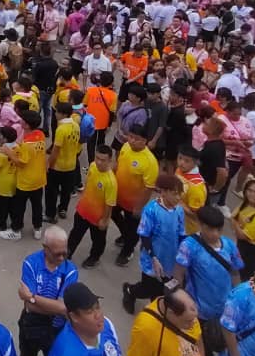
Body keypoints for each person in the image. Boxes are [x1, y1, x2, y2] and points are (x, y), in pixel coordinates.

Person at [173, 206, 244, 356]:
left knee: (212, 338)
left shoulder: (230, 246)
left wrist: (237, 298)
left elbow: (235, 273)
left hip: (222, 307)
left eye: (218, 229)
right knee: (191, 339)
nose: (215, 234)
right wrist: (179, 300)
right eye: (209, 229)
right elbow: (178, 274)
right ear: (200, 224)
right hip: (198, 307)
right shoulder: (189, 246)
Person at [15, 225, 78, 356]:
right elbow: (31, 308)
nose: (62, 257)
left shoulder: (70, 270)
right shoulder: (31, 263)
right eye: (58, 253)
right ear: (45, 249)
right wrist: (55, 307)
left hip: (56, 332)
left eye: (65, 252)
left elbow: (64, 308)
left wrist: (31, 297)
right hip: (31, 328)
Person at [45, 282, 127, 356]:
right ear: (74, 317)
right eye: (90, 312)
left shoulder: (106, 326)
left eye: (97, 307)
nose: (98, 315)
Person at [123, 173, 185, 314]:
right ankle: (130, 290)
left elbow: (181, 234)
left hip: (170, 259)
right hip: (152, 259)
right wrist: (154, 258)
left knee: (161, 289)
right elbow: (144, 235)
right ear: (164, 192)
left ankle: (155, 312)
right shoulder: (151, 210)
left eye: (180, 194)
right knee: (148, 288)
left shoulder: (179, 211)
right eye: (175, 194)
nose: (178, 197)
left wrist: (182, 259)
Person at [126, 287, 204, 356]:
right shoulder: (145, 328)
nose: (193, 324)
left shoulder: (188, 314)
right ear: (171, 312)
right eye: (188, 321)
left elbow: (197, 338)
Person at [113, 129, 160, 266]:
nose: (132, 140)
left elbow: (148, 188)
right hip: (118, 196)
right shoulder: (126, 146)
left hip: (134, 203)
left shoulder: (150, 162)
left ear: (145, 141)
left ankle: (127, 251)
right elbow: (118, 165)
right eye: (131, 136)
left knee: (133, 227)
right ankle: (125, 235)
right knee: (114, 214)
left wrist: (139, 207)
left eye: (136, 138)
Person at [0, 111, 48, 241]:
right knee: (37, 205)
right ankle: (37, 228)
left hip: (26, 181)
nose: (20, 121)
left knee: (19, 206)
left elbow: (21, 163)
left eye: (22, 120)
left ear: (26, 125)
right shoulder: (41, 135)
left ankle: (16, 230)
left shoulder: (26, 145)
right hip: (39, 178)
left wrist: (8, 152)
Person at [67, 144, 116, 268]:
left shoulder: (111, 182)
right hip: (83, 210)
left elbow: (109, 204)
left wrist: (104, 220)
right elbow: (88, 183)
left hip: (97, 218)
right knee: (75, 234)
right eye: (97, 158)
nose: (99, 162)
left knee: (98, 240)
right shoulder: (93, 166)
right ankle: (67, 253)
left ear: (110, 160)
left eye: (103, 160)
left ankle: (95, 257)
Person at [45, 103, 81, 225]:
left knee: (51, 190)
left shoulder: (61, 129)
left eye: (57, 112)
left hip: (58, 166)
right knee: (66, 191)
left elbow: (55, 151)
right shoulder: (76, 126)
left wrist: (49, 164)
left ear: (63, 114)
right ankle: (63, 209)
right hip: (71, 165)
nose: (55, 114)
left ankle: (50, 214)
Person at [231, 179, 255, 280]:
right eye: (249, 190)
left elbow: (242, 235)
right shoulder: (246, 204)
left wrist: (234, 222)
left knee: (248, 275)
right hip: (243, 245)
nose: (252, 194)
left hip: (254, 250)